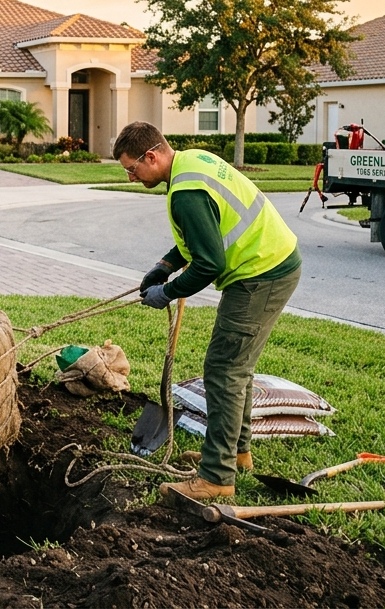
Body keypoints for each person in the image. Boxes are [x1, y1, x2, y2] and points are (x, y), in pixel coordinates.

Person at [113, 122, 302, 501]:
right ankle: (236, 454)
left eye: (132, 169)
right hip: (269, 264)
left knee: (224, 369)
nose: (132, 177)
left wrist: (166, 292)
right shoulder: (190, 163)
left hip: (261, 274)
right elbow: (201, 236)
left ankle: (217, 477)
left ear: (152, 156)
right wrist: (165, 265)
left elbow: (208, 263)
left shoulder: (186, 192)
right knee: (236, 368)